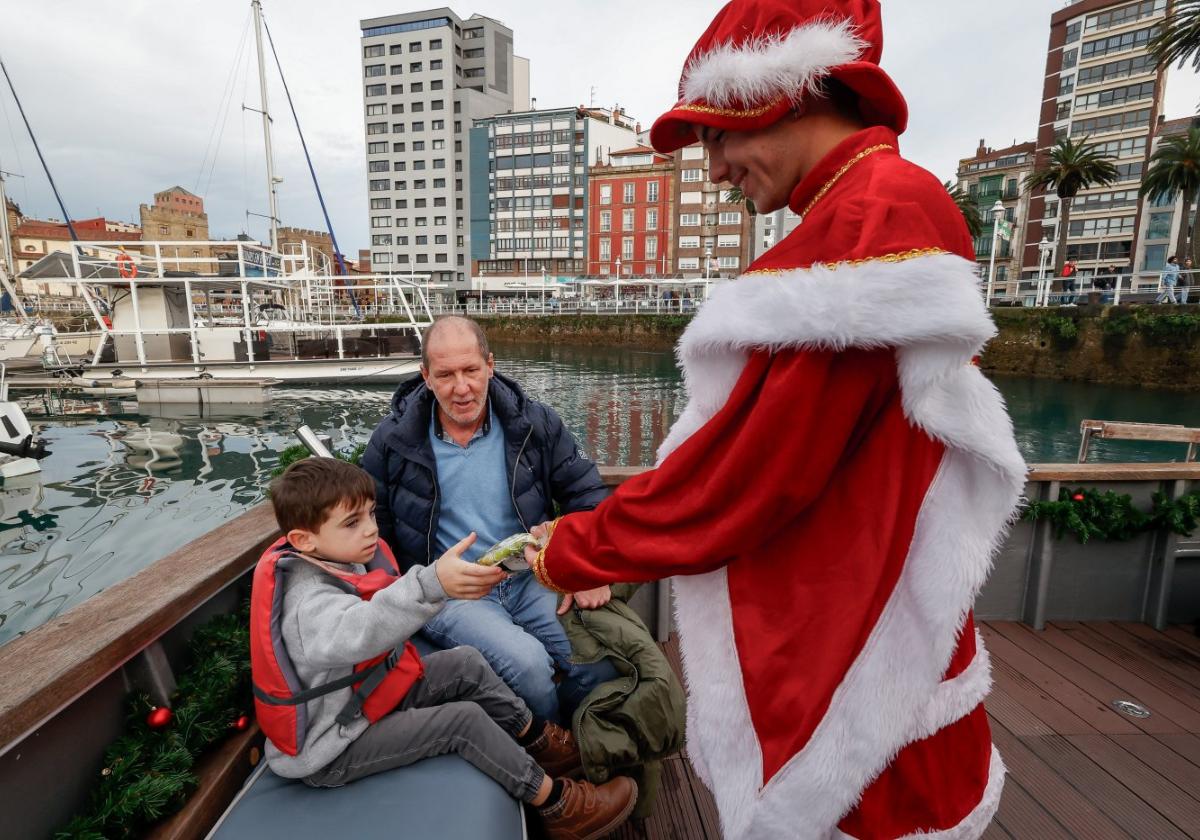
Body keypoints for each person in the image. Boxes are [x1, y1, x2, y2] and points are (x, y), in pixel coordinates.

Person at [525, 1, 1026, 838]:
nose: (715, 170)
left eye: (718, 137)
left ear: (782, 95)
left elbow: (754, 473)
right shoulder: (875, 204)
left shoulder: (874, 216)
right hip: (866, 596)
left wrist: (579, 546)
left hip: (854, 626)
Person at [252, 458, 637, 838]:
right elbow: (362, 629)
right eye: (353, 523)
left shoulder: (335, 559)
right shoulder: (308, 605)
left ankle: (540, 743)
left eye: (371, 514)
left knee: (465, 663)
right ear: (304, 540)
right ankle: (560, 808)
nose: (371, 529)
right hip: (334, 745)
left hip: (362, 702)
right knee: (462, 721)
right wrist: (432, 582)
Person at [361, 316, 618, 725]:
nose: (461, 388)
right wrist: (411, 593)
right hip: (452, 593)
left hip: (530, 573)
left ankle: (584, 740)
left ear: (490, 366)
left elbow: (585, 495)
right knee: (529, 666)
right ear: (425, 376)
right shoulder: (392, 441)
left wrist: (583, 564)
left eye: (470, 371)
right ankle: (556, 755)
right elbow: (374, 535)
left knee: (598, 662)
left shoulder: (535, 424)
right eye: (445, 374)